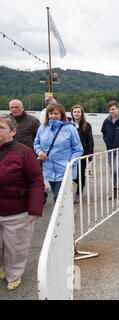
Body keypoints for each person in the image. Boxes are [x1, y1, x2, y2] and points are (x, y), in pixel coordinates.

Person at [0, 114, 45, 291]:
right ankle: (3, 267)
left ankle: (14, 274)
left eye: (1, 128)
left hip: (16, 212)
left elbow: (36, 181)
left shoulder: (24, 152)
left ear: (13, 131)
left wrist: (35, 209)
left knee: (15, 248)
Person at [34, 104, 84, 203]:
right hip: (48, 168)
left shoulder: (70, 129)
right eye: (51, 113)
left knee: (58, 196)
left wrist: (70, 164)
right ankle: (68, 211)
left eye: (56, 113)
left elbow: (78, 149)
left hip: (64, 168)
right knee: (56, 193)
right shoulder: (42, 128)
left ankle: (64, 215)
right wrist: (39, 151)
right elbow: (36, 143)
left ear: (62, 114)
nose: (53, 116)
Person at [71, 105, 94, 203]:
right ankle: (80, 184)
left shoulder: (86, 125)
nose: (76, 113)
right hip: (70, 154)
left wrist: (90, 154)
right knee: (71, 175)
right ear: (72, 113)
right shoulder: (68, 125)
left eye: (78, 112)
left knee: (80, 173)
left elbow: (90, 140)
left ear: (82, 113)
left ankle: (78, 192)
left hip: (83, 154)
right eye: (75, 111)